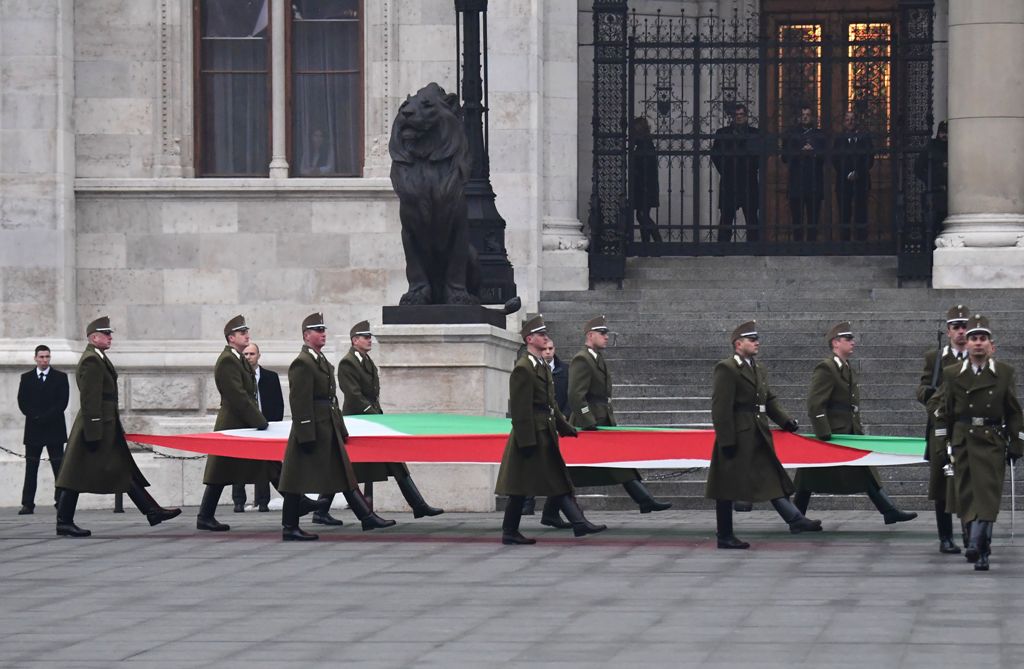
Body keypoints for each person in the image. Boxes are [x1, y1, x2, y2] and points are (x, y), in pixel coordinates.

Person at [54, 317, 181, 537]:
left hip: (104, 425)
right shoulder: (91, 360)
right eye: (106, 334)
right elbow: (90, 398)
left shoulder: (98, 357)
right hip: (95, 427)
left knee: (120, 468)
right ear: (94, 337)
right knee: (75, 474)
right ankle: (64, 521)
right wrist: (95, 430)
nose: (110, 337)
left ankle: (152, 511)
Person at [540, 316, 670, 530]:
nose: (607, 337)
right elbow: (575, 395)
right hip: (586, 423)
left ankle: (645, 500)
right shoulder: (583, 359)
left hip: (601, 419)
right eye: (603, 334)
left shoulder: (596, 358)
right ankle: (551, 513)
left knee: (615, 461)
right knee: (571, 472)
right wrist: (588, 421)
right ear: (590, 335)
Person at [312, 320, 443, 526]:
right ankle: (321, 509)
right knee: (346, 469)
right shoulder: (348, 362)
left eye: (369, 336)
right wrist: (373, 415)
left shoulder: (366, 361)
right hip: (358, 421)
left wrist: (377, 415)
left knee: (392, 459)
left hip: (370, 420)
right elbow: (353, 395)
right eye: (365, 337)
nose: (369, 340)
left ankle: (418, 505)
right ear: (355, 340)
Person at [278, 313, 394, 541]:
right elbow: (299, 400)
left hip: (327, 425)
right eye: (317, 330)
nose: (323, 333)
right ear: (306, 335)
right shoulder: (303, 362)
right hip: (311, 427)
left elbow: (331, 399)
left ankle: (366, 516)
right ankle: (289, 527)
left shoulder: (320, 360)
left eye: (324, 330)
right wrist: (305, 432)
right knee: (294, 478)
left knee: (344, 472)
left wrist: (339, 427)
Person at [705, 320, 821, 549]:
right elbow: (720, 408)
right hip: (737, 435)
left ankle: (795, 520)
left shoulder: (758, 368)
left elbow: (768, 399)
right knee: (726, 486)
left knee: (771, 476)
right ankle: (724, 535)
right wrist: (727, 439)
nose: (757, 342)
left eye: (757, 339)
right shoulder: (727, 368)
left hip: (758, 433)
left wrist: (785, 421)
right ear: (738, 344)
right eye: (752, 339)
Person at [793, 323, 917, 525]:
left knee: (863, 471)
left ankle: (888, 511)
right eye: (848, 339)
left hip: (848, 431)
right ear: (835, 343)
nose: (853, 342)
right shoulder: (827, 368)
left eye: (852, 338)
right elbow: (815, 404)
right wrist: (824, 433)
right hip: (833, 433)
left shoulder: (846, 368)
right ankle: (796, 517)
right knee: (809, 476)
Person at [495, 315, 605, 545]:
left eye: (545, 334)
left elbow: (551, 403)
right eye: (541, 335)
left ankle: (513, 531)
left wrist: (566, 427)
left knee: (531, 484)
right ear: (529, 339)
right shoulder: (523, 368)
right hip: (532, 434)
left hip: (544, 431)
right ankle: (577, 522)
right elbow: (519, 408)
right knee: (538, 482)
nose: (546, 337)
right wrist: (526, 441)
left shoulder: (541, 364)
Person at [932, 315, 1023, 571]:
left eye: (983, 339)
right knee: (968, 494)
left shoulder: (1004, 373)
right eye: (973, 339)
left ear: (991, 345)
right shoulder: (952, 374)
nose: (978, 343)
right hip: (963, 440)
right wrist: (942, 444)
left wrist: (1017, 442)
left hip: (992, 440)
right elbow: (943, 412)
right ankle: (978, 544)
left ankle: (977, 545)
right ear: (968, 344)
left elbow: (1014, 411)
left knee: (987, 495)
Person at [197, 316, 279, 531]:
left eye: (246, 332)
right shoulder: (227, 360)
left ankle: (296, 502)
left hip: (242, 422)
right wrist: (260, 421)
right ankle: (204, 516)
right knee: (219, 473)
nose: (247, 335)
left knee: (268, 462)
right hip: (232, 424)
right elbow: (238, 396)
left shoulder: (238, 359)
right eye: (242, 333)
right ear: (231, 338)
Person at [917, 305, 971, 554]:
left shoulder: (978, 356)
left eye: (964, 327)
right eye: (956, 327)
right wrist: (933, 401)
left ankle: (971, 535)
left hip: (968, 428)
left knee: (969, 483)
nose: (961, 332)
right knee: (941, 484)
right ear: (948, 331)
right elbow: (922, 389)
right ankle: (945, 537)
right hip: (941, 428)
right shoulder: (936, 358)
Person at [231, 342, 284, 513]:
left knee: (264, 464)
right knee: (239, 464)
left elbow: (278, 402)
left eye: (251, 354)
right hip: (244, 425)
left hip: (265, 424)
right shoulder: (238, 376)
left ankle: (263, 501)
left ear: (258, 355)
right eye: (245, 354)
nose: (248, 357)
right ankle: (238, 501)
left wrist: (274, 424)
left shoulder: (271, 377)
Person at [17, 345, 69, 515]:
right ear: (35, 358)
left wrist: (46, 416)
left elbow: (62, 402)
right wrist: (36, 417)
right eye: (41, 357)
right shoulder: (26, 378)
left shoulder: (61, 377)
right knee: (31, 468)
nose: (44, 360)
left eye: (47, 356)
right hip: (34, 429)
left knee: (58, 467)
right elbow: (22, 402)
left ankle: (60, 501)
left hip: (54, 428)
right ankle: (27, 503)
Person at [711, 103, 761, 242]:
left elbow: (760, 156)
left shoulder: (754, 133)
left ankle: (754, 248)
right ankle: (722, 247)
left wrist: (752, 167)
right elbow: (715, 154)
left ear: (746, 116)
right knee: (726, 217)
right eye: (736, 115)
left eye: (742, 115)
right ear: (732, 117)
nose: (739, 117)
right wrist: (725, 170)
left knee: (751, 218)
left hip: (748, 180)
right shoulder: (723, 133)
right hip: (729, 181)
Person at [782, 106, 827, 241]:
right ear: (799, 117)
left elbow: (826, 157)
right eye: (803, 114)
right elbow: (784, 157)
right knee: (797, 218)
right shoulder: (791, 134)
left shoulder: (819, 135)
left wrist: (813, 152)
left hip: (814, 182)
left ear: (812, 117)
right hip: (796, 182)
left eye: (808, 114)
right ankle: (798, 246)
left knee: (813, 218)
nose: (805, 117)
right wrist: (800, 152)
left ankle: (812, 246)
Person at [832, 111, 874, 242]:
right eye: (847, 119)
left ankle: (861, 242)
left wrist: (858, 173)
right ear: (844, 122)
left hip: (861, 181)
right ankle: (845, 243)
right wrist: (848, 174)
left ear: (856, 121)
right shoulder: (839, 140)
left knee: (861, 212)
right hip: (844, 182)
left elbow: (870, 158)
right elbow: (835, 160)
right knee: (844, 213)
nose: (850, 122)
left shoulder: (865, 138)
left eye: (852, 119)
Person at [629, 117, 663, 251]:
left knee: (642, 215)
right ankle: (646, 244)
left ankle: (656, 243)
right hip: (643, 186)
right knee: (642, 215)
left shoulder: (644, 144)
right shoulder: (643, 144)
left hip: (645, 187)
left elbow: (644, 167)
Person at [914, 121, 948, 236]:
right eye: (943, 132)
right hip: (934, 192)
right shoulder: (931, 147)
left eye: (947, 133)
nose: (945, 136)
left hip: (951, 193)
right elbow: (918, 169)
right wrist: (930, 181)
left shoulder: (953, 147)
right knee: (932, 225)